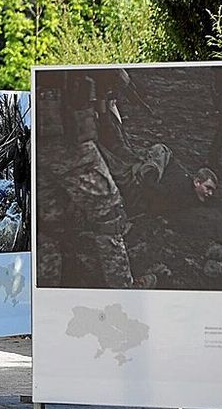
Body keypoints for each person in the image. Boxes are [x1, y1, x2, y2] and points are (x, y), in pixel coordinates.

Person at [35, 70, 155, 289]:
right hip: (66, 135)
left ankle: (48, 286)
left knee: (50, 221)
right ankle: (124, 291)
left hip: (34, 134)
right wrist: (119, 76)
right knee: (109, 212)